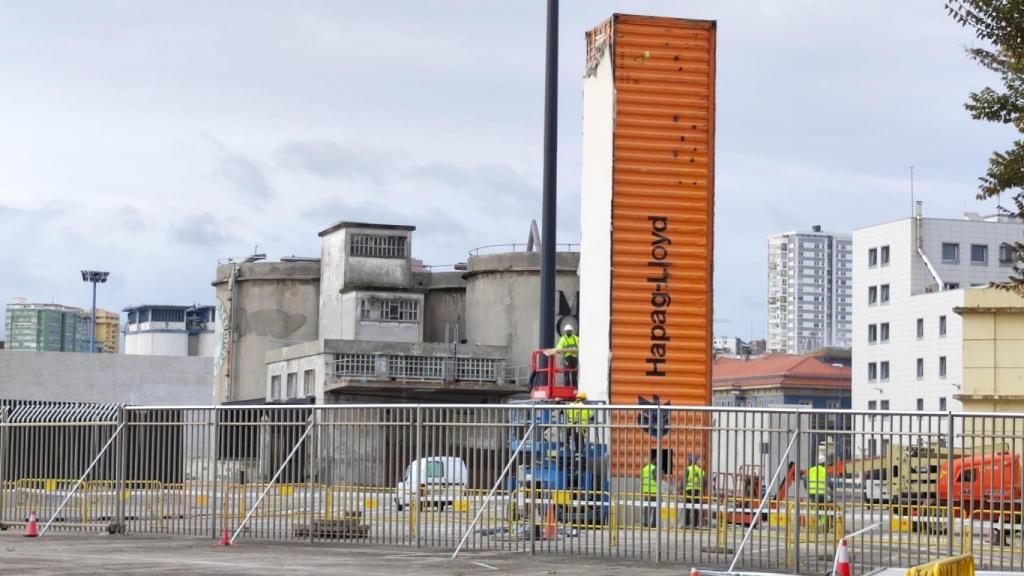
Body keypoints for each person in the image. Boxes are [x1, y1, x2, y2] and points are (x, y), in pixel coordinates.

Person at [805, 455, 830, 532]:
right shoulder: (824, 471)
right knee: (823, 508)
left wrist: (808, 490)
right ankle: (823, 525)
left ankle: (815, 525)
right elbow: (830, 483)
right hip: (821, 494)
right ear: (823, 463)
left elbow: (805, 481)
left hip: (812, 494)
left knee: (815, 508)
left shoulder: (811, 470)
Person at [682, 455, 705, 527]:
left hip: (688, 490)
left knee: (687, 507)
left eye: (688, 460)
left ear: (690, 461)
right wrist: (702, 490)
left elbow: (684, 481)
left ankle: (686, 524)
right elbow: (705, 481)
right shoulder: (700, 470)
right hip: (697, 491)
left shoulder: (688, 469)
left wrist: (682, 490)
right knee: (695, 507)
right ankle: (695, 525)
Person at [641, 454, 659, 528]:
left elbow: (643, 479)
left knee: (647, 507)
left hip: (646, 491)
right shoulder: (654, 468)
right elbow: (656, 478)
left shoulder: (644, 468)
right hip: (654, 491)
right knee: (655, 508)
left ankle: (645, 522)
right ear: (654, 460)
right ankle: (654, 523)